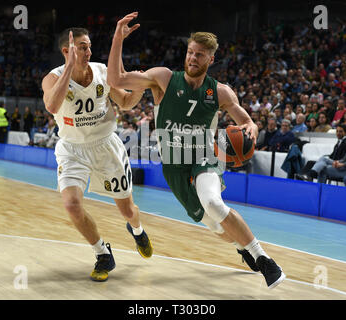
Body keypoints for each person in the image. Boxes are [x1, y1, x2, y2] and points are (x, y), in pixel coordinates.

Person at [107, 12, 286, 289]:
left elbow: (244, 119)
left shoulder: (221, 92)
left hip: (205, 157)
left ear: (210, 59)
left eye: (200, 55)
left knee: (214, 203)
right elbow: (116, 80)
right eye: (190, 52)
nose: (192, 58)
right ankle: (243, 249)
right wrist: (118, 37)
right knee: (216, 226)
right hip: (173, 164)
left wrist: (250, 125)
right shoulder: (163, 78)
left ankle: (264, 260)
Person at [41, 27, 153, 282]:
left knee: (127, 210)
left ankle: (137, 230)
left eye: (89, 46)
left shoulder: (102, 71)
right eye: (82, 47)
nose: (88, 51)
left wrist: (141, 86)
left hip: (105, 146)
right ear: (66, 51)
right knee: (71, 204)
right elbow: (52, 106)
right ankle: (103, 253)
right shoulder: (52, 78)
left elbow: (124, 102)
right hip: (72, 149)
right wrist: (69, 68)